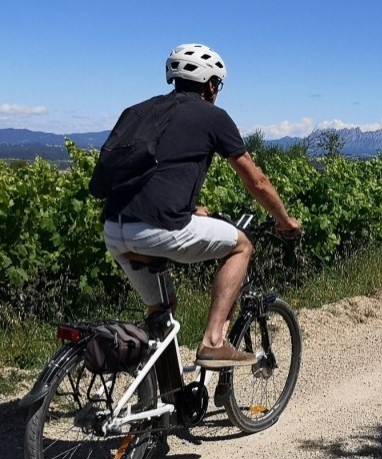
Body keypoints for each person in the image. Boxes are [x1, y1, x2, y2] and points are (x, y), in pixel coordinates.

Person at [102, 43, 302, 369]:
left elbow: (154, 168)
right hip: (160, 229)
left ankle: (157, 402)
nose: (217, 92)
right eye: (217, 85)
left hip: (115, 228)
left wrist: (188, 207)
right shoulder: (214, 117)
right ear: (210, 85)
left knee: (161, 311)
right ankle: (213, 342)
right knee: (241, 246)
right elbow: (257, 182)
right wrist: (284, 220)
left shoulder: (140, 111)